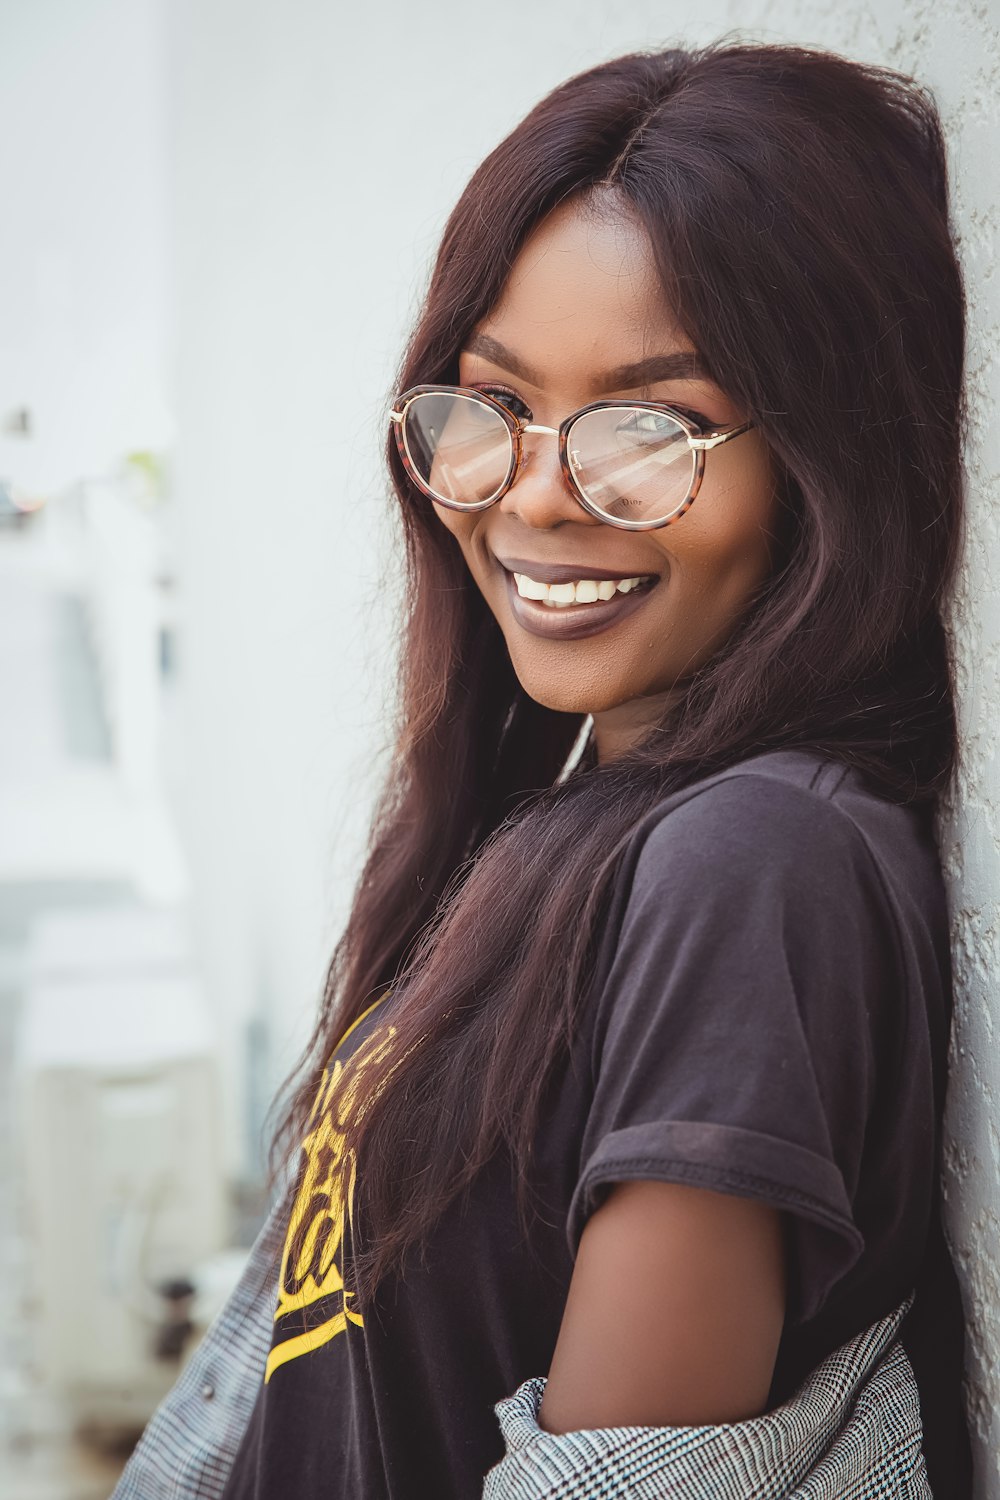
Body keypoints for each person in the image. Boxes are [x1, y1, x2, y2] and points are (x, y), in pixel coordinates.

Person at [113, 39, 972, 1500]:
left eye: (653, 427)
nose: (537, 496)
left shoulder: (754, 866)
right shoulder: (555, 827)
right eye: (492, 404)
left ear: (826, 456)